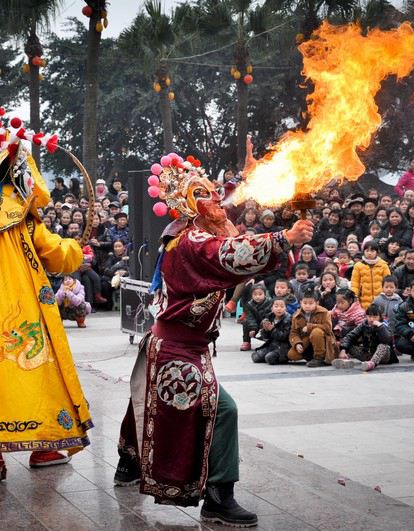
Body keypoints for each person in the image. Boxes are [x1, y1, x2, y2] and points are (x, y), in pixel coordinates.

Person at [116, 150, 314, 526]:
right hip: (178, 351)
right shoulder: (192, 242)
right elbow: (229, 255)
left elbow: (231, 253)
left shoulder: (190, 234)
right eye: (206, 195)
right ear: (192, 206)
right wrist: (283, 238)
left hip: (178, 345)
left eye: (215, 192)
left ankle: (128, 463)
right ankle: (219, 498)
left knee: (145, 399)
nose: (219, 201)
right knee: (223, 410)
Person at [0, 126, 93, 479]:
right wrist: (78, 248)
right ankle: (34, 448)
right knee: (36, 371)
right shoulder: (19, 215)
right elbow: (56, 256)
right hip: (17, 311)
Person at [334, 303, 396, 371]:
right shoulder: (363, 325)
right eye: (369, 316)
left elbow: (387, 339)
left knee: (383, 346)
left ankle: (372, 363)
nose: (372, 319)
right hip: (367, 354)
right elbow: (350, 336)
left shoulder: (384, 325)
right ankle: (346, 360)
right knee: (348, 344)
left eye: (375, 317)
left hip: (384, 357)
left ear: (380, 317)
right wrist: (343, 350)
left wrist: (380, 327)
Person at [289, 290, 336, 367]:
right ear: (300, 302)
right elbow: (293, 333)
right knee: (292, 355)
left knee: (316, 332)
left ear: (316, 303)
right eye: (305, 303)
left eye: (311, 303)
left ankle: (319, 358)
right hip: (307, 340)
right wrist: (297, 343)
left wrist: (310, 327)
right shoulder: (296, 315)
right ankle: (310, 356)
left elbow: (328, 328)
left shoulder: (323, 312)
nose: (307, 306)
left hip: (323, 339)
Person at [251, 297, 292, 365]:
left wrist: (273, 329)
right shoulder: (270, 317)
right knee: (255, 357)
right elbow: (266, 337)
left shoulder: (288, 319)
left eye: (282, 306)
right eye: (276, 306)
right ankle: (270, 355)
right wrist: (265, 330)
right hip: (272, 345)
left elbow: (284, 337)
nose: (279, 308)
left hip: (283, 346)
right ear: (272, 308)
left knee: (269, 358)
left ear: (286, 308)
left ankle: (283, 358)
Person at [351, 241, 391, 309]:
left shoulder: (383, 265)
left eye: (372, 251)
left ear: (377, 252)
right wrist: (355, 296)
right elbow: (355, 283)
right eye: (367, 250)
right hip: (363, 301)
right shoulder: (358, 266)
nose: (369, 253)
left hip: (381, 301)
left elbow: (388, 282)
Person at [241, 284, 271, 351]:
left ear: (264, 294)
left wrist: (264, 325)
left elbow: (270, 316)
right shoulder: (250, 305)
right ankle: (246, 342)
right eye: (255, 294)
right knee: (246, 321)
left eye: (260, 294)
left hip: (266, 324)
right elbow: (250, 317)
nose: (258, 297)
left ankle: (270, 343)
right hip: (256, 325)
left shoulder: (269, 302)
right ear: (252, 296)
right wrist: (253, 329)